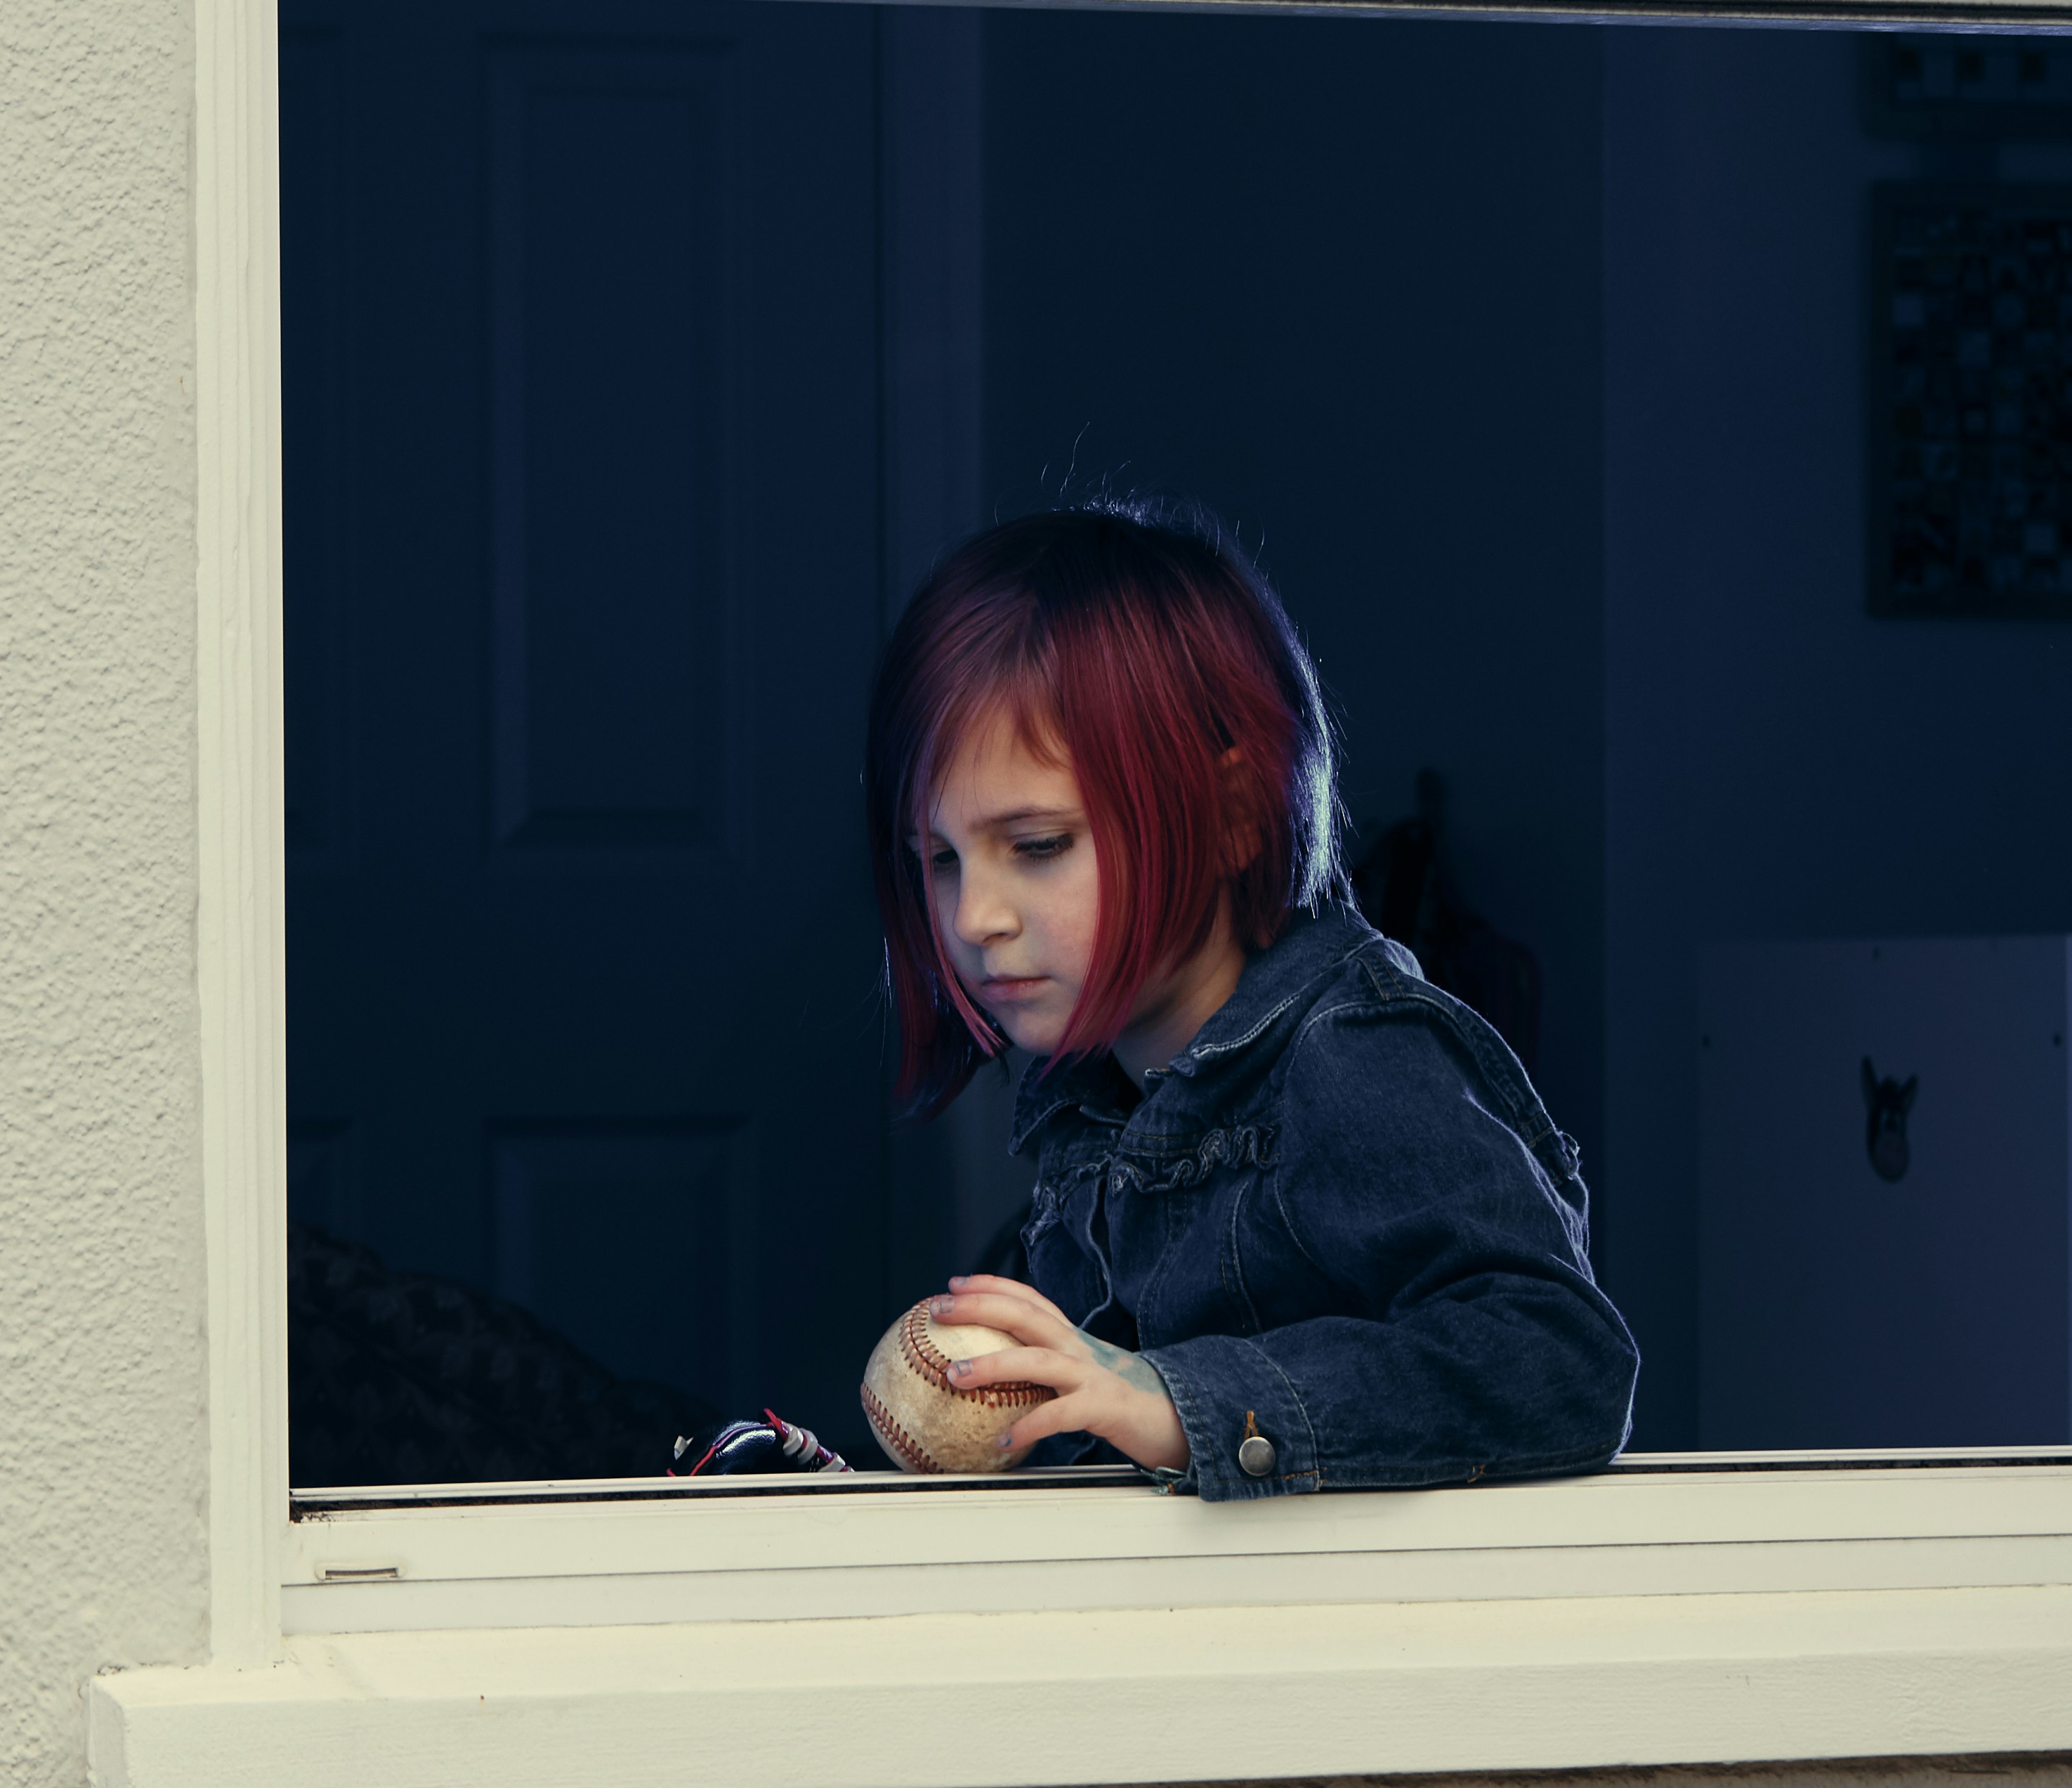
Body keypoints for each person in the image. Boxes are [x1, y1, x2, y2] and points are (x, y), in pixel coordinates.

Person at [694, 502, 1637, 1497]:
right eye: (935, 860)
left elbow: (1557, 1361)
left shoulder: (1352, 1058)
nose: (974, 916)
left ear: (1231, 816)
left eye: (1039, 846)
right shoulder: (1096, 1099)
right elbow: (1098, 1461)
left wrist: (1187, 1399)